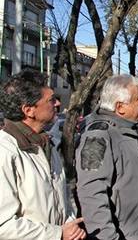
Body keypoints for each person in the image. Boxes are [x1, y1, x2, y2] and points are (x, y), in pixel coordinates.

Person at [0, 70, 86, 239]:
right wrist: (57, 233)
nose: (58, 103)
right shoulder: (5, 150)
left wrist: (70, 227)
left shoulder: (46, 144)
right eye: (51, 100)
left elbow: (62, 202)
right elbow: (4, 225)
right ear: (28, 110)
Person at [76, 74, 138, 239]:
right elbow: (91, 194)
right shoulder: (97, 137)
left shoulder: (128, 129)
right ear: (120, 107)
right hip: (123, 235)